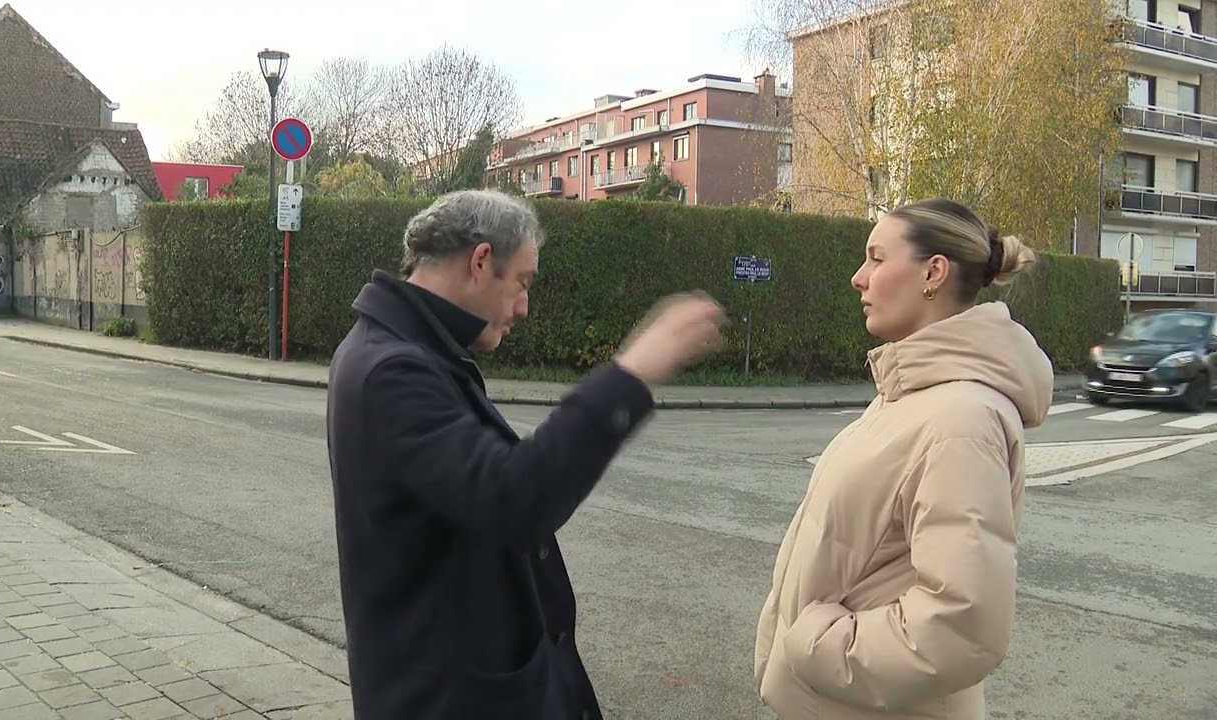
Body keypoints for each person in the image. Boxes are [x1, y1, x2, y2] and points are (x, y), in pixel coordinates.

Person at [326, 189, 725, 720]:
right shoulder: (392, 372)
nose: (523, 306)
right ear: (481, 260)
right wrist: (631, 375)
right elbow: (514, 498)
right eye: (522, 282)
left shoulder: (409, 352)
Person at [753, 198, 1054, 720]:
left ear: (933, 272)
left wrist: (817, 645)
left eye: (875, 257)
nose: (857, 277)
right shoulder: (908, 395)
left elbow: (963, 626)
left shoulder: (961, 420)